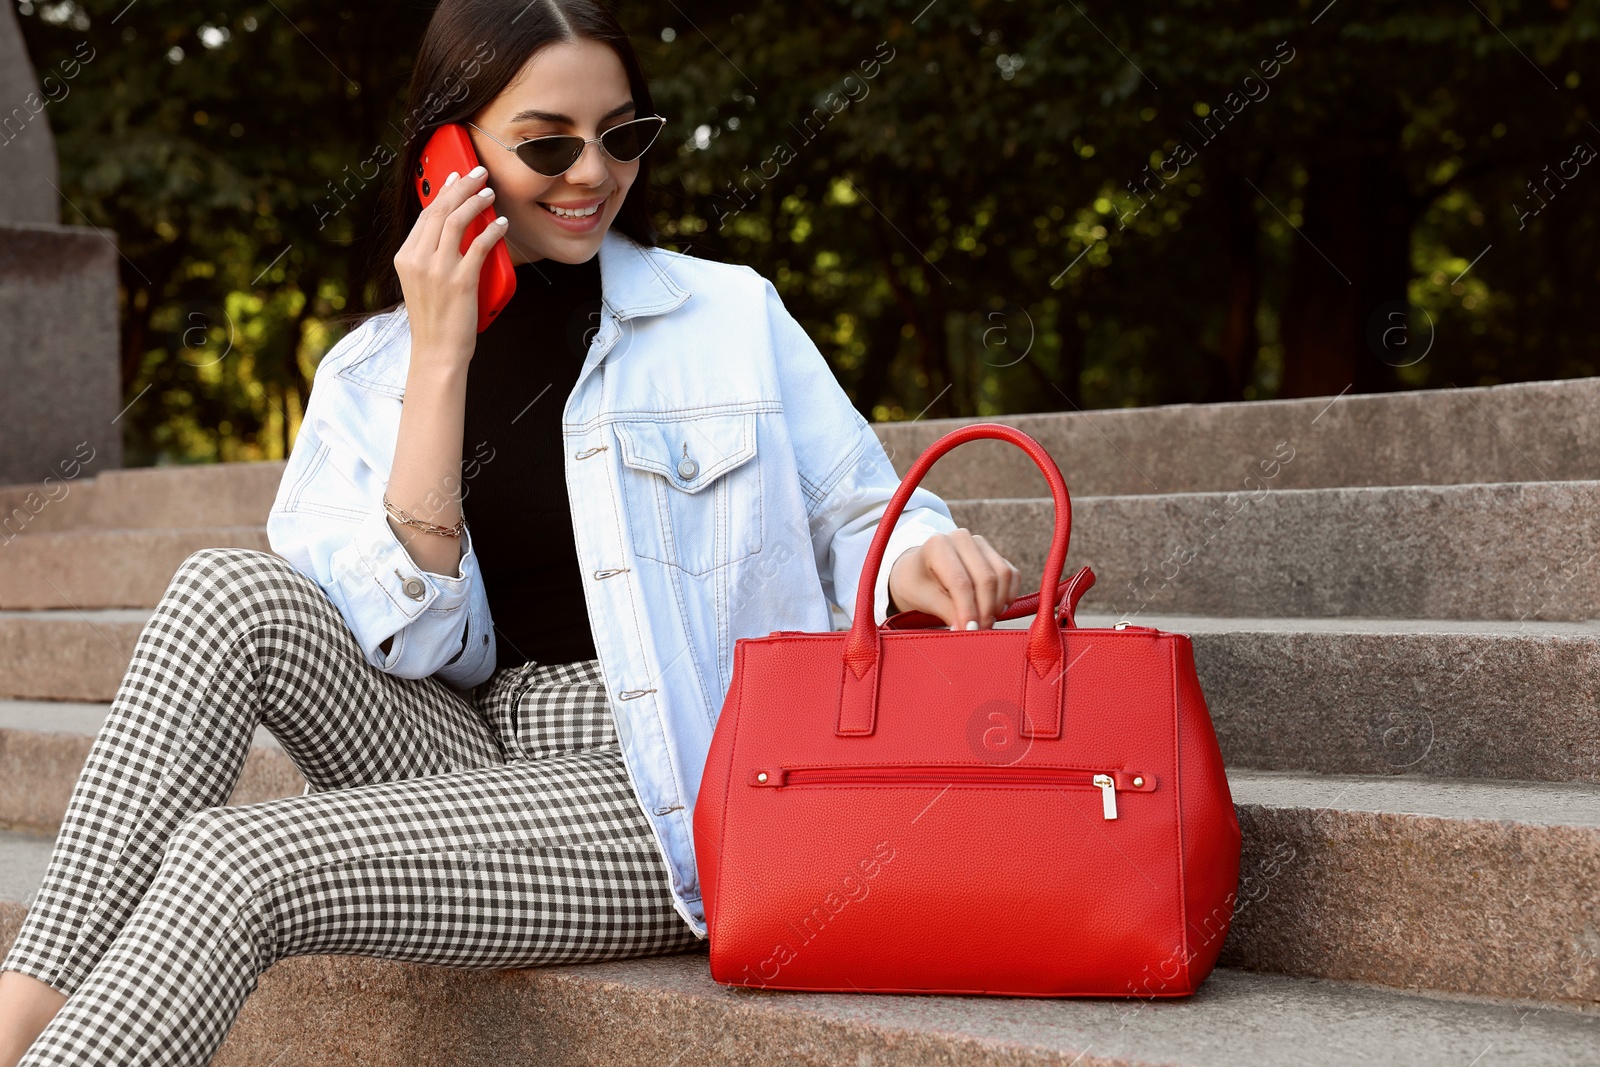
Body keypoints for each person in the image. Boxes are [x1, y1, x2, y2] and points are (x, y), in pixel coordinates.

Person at [0, 1, 1022, 1063]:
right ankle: (13, 1021)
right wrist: (441, 358)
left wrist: (915, 552)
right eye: (547, 142)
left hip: (674, 776)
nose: (593, 172)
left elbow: (861, 506)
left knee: (231, 857)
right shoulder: (367, 375)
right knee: (224, 587)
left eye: (623, 135)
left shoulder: (726, 316)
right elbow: (410, 638)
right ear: (450, 153)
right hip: (472, 746)